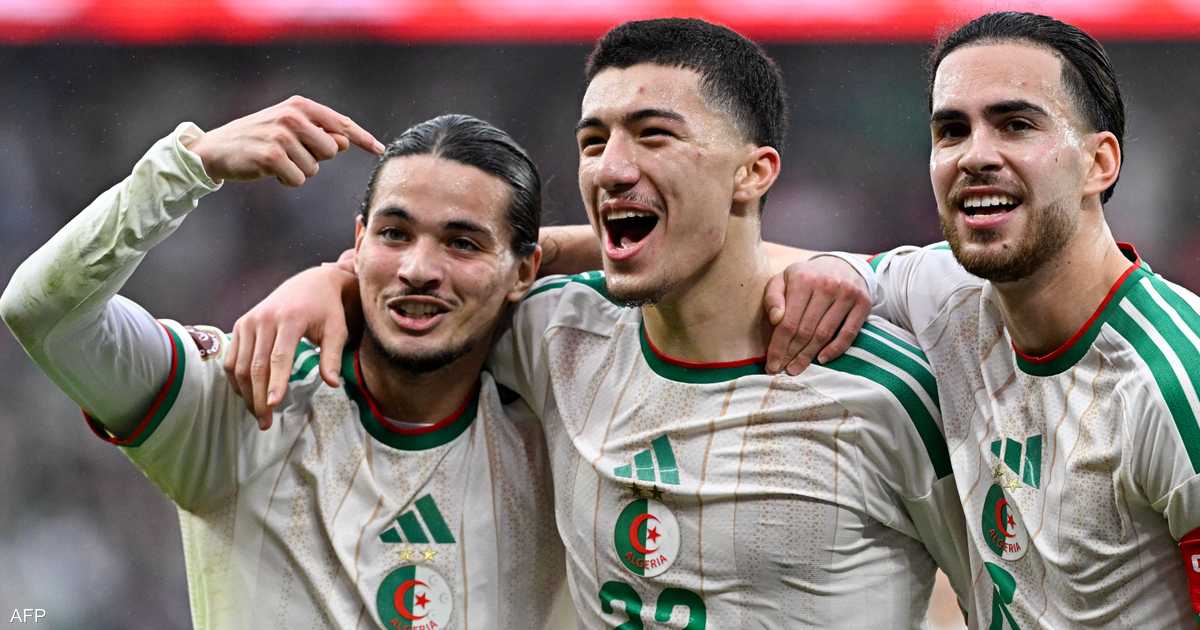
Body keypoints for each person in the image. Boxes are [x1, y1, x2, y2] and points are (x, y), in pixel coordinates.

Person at [238, 19, 973, 628]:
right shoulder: (553, 333)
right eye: (594, 141)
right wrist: (334, 279)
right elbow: (443, 283)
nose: (611, 168)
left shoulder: (889, 387)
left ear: (753, 172)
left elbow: (1002, 595)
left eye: (653, 136)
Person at [0, 98, 571, 628]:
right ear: (359, 243)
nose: (418, 269)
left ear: (526, 270)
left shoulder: (564, 426)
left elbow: (634, 272)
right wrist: (188, 165)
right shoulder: (242, 398)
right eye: (394, 234)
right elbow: (42, 313)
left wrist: (338, 278)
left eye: (463, 243)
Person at [769, 11, 1200, 627]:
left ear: (1099, 163)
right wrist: (839, 268)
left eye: (1016, 125)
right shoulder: (945, 290)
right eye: (952, 131)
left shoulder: (1177, 381)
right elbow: (748, 269)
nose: (975, 156)